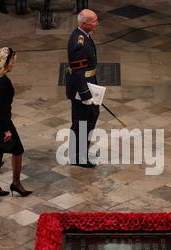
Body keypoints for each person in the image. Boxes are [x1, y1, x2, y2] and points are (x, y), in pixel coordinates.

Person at [0, 47, 32, 197]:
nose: (13, 65)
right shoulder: (5, 82)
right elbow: (3, 109)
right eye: (12, 62)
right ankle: (16, 183)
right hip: (1, 123)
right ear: (6, 62)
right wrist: (7, 130)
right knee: (18, 150)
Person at [65, 9, 99, 168]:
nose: (96, 23)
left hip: (88, 83)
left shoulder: (84, 36)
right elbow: (78, 71)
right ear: (84, 24)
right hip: (82, 88)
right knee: (81, 122)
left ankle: (81, 152)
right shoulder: (79, 43)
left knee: (90, 118)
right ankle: (77, 156)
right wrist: (85, 95)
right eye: (94, 21)